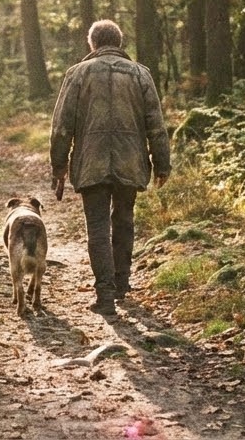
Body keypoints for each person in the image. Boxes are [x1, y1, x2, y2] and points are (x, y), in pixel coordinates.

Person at [50, 19, 170, 316]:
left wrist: (59, 165)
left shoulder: (77, 74)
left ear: (92, 43)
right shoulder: (141, 75)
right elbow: (155, 124)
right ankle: (122, 284)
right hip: (130, 160)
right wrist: (162, 163)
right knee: (125, 220)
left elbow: (62, 126)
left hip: (91, 161)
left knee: (98, 228)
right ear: (119, 42)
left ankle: (105, 295)